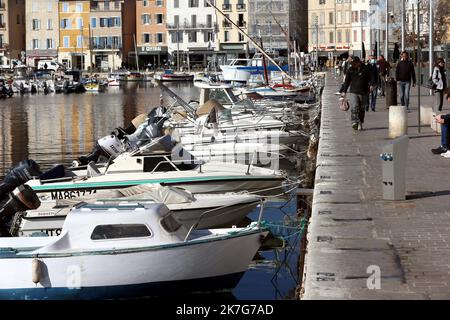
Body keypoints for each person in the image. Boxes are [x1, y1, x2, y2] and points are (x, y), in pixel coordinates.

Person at [341, 56, 375, 131]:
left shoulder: (366, 69)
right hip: (353, 91)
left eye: (354, 63)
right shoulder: (350, 70)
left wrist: (372, 84)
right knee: (354, 107)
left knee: (362, 109)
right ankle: (354, 122)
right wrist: (344, 91)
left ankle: (360, 122)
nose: (352, 65)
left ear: (358, 62)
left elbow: (372, 77)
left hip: (364, 91)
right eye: (352, 63)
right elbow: (347, 81)